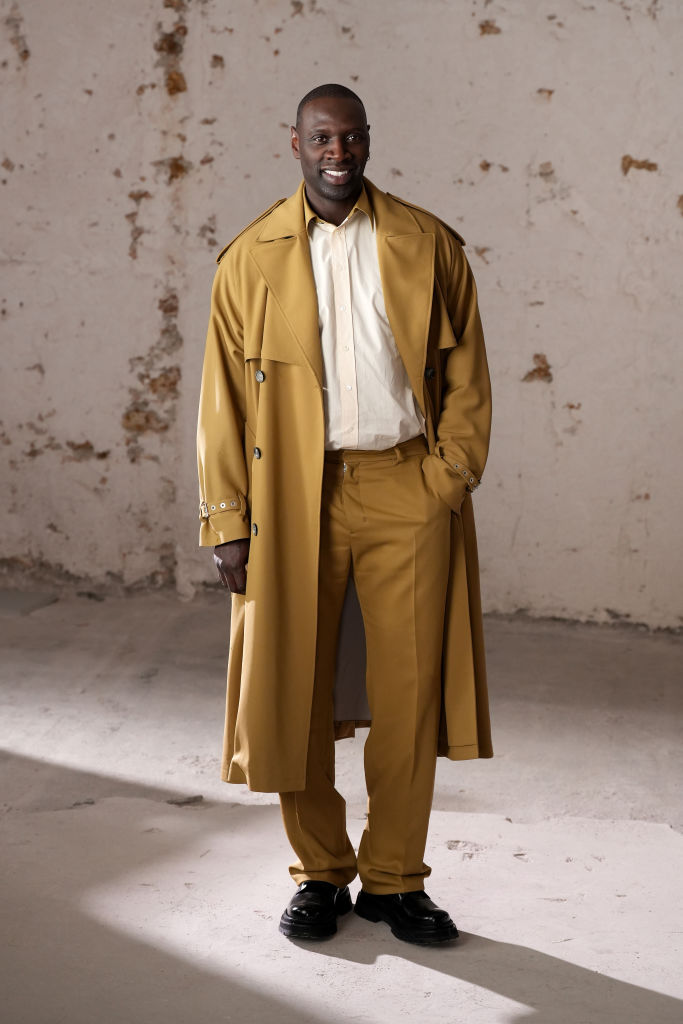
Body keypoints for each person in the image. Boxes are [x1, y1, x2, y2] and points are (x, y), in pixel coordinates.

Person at [197, 83, 492, 946]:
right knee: (294, 690)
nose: (339, 152)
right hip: (291, 497)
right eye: (322, 137)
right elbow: (221, 402)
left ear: (367, 142)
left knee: (407, 695)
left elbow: (467, 372)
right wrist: (227, 522)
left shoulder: (424, 242)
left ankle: (396, 879)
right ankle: (319, 873)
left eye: (351, 137)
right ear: (293, 142)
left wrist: (448, 478)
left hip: (406, 483)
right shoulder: (250, 257)